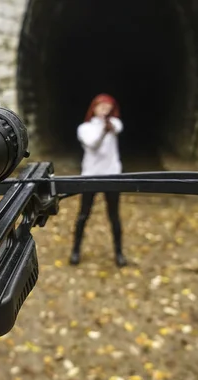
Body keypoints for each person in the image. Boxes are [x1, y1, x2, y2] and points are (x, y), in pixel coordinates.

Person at [69, 94, 128, 268]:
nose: (104, 110)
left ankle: (119, 252)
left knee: (114, 216)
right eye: (101, 106)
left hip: (112, 174)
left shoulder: (115, 123)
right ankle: (75, 250)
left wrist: (107, 124)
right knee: (83, 215)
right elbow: (92, 144)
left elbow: (116, 128)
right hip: (91, 174)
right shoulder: (85, 128)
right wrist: (103, 130)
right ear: (94, 108)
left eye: (108, 107)